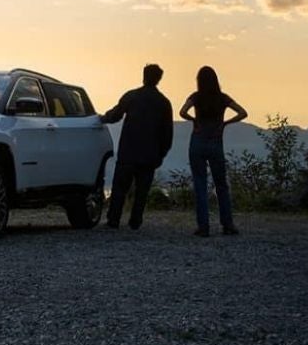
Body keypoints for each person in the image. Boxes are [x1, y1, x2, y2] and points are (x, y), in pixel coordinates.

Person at [99, 64, 174, 230]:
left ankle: (113, 219)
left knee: (119, 188)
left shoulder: (132, 96)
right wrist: (161, 154)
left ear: (144, 75)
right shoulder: (164, 103)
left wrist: (101, 119)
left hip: (128, 151)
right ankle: (135, 221)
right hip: (150, 154)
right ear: (159, 79)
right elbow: (167, 133)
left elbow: (115, 115)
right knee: (142, 191)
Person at [179, 66, 247, 237]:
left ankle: (203, 227)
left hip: (198, 141)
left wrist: (193, 120)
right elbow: (242, 113)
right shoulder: (223, 98)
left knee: (200, 185)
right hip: (216, 143)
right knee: (221, 185)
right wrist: (225, 124)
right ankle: (228, 224)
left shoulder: (195, 97)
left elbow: (182, 112)